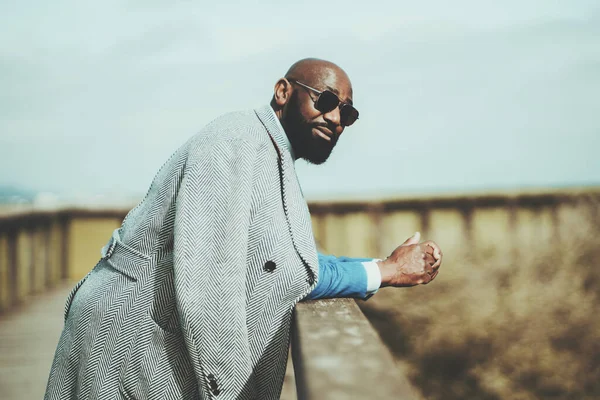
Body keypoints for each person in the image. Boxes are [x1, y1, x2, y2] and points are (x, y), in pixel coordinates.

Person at [45, 58, 442, 400]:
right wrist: (384, 272)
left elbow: (285, 259)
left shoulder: (266, 152)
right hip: (125, 341)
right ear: (283, 92)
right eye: (325, 101)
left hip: (143, 340)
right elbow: (237, 277)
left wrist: (380, 264)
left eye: (347, 113)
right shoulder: (235, 143)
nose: (336, 118)